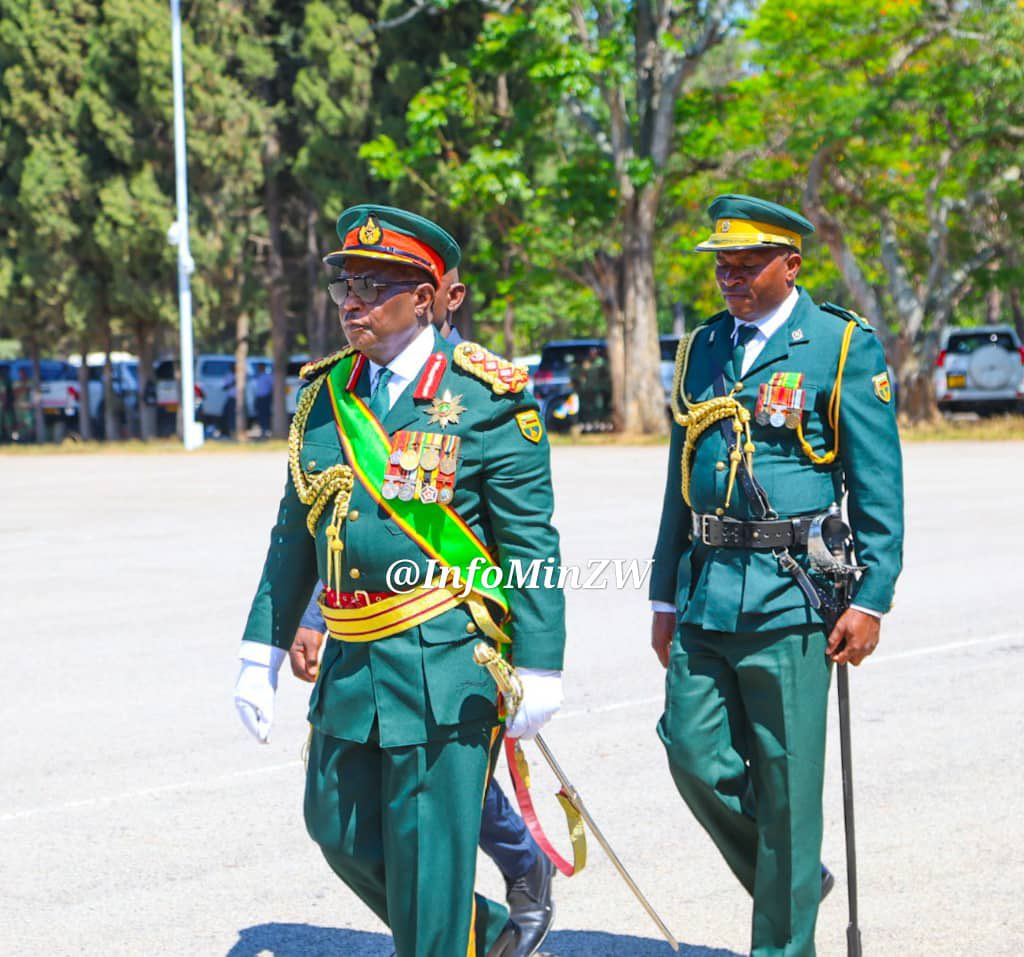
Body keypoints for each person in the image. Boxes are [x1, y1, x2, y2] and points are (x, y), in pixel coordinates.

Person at [233, 204, 566, 957]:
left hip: (443, 665)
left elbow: (531, 544)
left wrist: (541, 664)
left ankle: (447, 935)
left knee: (427, 860)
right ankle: (478, 931)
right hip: (352, 661)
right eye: (346, 282)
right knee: (338, 826)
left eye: (375, 284)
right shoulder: (324, 398)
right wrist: (261, 650)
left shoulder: (486, 397)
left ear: (424, 297)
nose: (352, 299)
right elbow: (296, 536)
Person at [650, 195, 904, 956]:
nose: (730, 276)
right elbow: (680, 475)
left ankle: (784, 942)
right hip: (706, 587)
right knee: (690, 751)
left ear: (791, 263)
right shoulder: (703, 346)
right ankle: (792, 875)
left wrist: (872, 597)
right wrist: (664, 590)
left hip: (794, 595)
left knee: (790, 791)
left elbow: (878, 482)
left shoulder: (836, 345)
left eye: (747, 264)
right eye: (721, 264)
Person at [253, 361, 273, 437]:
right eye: (259, 367)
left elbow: (272, 387)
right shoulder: (258, 376)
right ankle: (262, 430)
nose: (259, 369)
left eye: (261, 367)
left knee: (266, 414)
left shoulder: (268, 376)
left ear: (264, 368)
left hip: (265, 397)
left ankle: (266, 430)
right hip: (259, 397)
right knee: (260, 414)